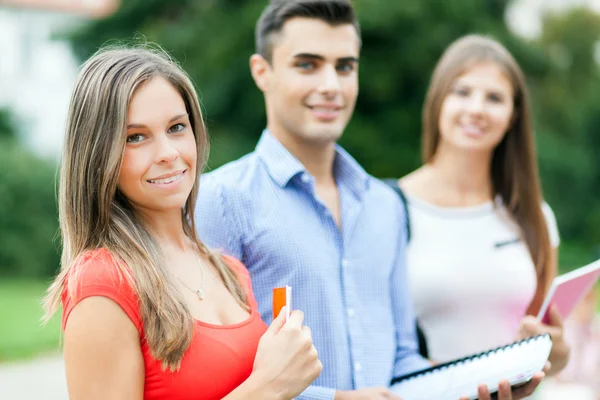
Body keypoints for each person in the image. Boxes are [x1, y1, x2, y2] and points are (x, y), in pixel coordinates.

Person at [194, 2, 544, 399]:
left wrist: (473, 384)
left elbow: (403, 359)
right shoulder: (220, 199)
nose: (331, 85)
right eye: (307, 65)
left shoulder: (384, 205)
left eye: (345, 67)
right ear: (263, 71)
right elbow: (216, 370)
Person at [42, 45, 322, 400]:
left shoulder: (229, 271)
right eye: (136, 137)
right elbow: (266, 388)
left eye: (176, 127)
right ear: (98, 155)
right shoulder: (104, 280)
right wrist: (267, 389)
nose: (168, 154)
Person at [386, 34, 570, 376]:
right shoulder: (387, 208)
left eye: (494, 98)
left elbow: (551, 353)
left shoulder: (535, 217)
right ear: (439, 99)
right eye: (462, 92)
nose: (476, 109)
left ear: (513, 116)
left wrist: (558, 351)